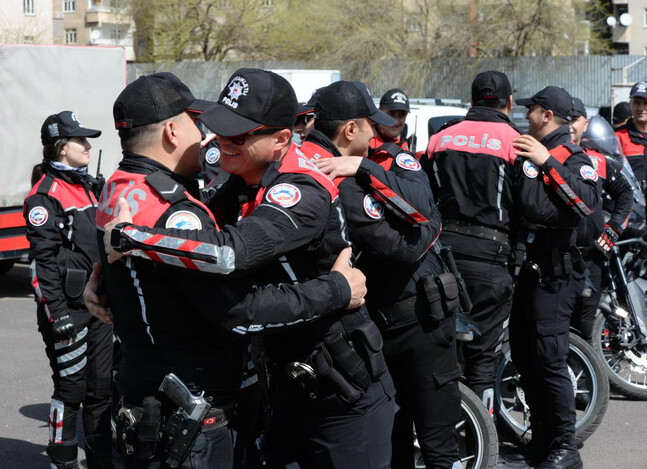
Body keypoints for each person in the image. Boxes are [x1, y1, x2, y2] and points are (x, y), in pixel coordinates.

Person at [102, 68, 396, 468]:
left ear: (280, 139)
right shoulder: (234, 183)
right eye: (220, 128)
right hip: (285, 384)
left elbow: (232, 254)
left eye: (239, 135)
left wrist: (132, 240)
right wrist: (105, 274)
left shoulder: (300, 189)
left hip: (341, 390)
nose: (221, 141)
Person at [305, 80, 462, 469]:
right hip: (406, 323)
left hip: (387, 320)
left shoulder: (349, 166)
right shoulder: (342, 181)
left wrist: (364, 166)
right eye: (370, 124)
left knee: (397, 438)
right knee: (431, 441)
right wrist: (434, 222)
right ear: (350, 130)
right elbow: (406, 242)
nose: (378, 130)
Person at [421, 70, 574, 419]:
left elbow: (424, 197)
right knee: (482, 358)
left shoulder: (439, 139)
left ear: (473, 100)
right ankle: (480, 436)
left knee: (439, 353)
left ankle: (440, 435)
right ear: (508, 103)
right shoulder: (516, 143)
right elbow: (534, 208)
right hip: (491, 260)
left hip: (440, 258)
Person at [509, 86, 600, 469]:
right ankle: (545, 437)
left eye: (533, 110)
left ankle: (566, 447)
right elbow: (525, 207)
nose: (526, 115)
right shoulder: (528, 148)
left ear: (547, 115)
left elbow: (582, 204)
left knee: (549, 358)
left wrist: (548, 162)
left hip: (558, 275)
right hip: (530, 272)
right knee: (525, 355)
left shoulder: (571, 156)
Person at [24, 111, 114, 469]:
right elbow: (41, 265)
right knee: (72, 390)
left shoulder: (88, 185)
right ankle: (62, 460)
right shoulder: (43, 196)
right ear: (61, 147)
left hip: (99, 307)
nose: (88, 146)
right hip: (68, 311)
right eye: (81, 140)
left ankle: (100, 460)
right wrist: (57, 314)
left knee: (101, 391)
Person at [569, 98, 632, 341]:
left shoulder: (597, 161)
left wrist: (612, 230)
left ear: (585, 124)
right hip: (553, 258)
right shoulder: (545, 155)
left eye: (574, 120)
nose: (569, 126)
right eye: (564, 120)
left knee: (583, 330)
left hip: (590, 258)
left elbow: (626, 194)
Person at [615, 82, 647, 185]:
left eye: (646, 103)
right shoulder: (618, 136)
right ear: (630, 104)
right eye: (637, 102)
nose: (641, 108)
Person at [370, 88, 411, 152]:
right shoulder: (366, 144)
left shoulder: (407, 145)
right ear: (380, 112)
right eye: (391, 114)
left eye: (401, 115)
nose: (396, 122)